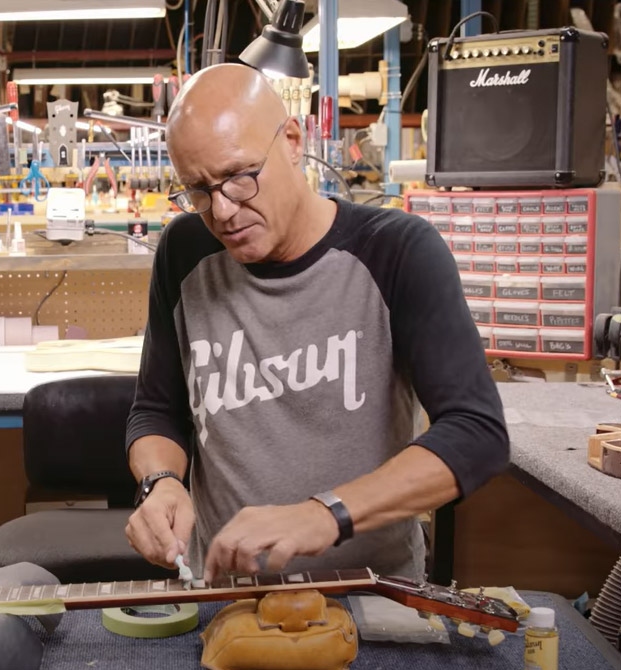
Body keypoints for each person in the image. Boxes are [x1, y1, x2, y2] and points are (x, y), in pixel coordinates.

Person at [124, 63, 509, 584]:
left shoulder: (397, 250)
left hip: (371, 596)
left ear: (290, 141)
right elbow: (156, 410)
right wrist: (162, 481)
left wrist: (325, 513)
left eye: (239, 177)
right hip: (223, 596)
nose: (222, 212)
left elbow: (475, 432)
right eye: (197, 189)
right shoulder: (184, 252)